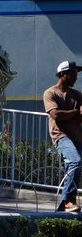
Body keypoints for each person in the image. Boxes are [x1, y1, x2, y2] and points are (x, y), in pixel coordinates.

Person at [43, 60, 82, 213]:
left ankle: (64, 207)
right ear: (62, 74)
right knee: (75, 161)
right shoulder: (50, 93)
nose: (76, 77)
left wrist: (66, 115)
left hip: (77, 137)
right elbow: (55, 115)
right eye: (73, 74)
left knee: (75, 166)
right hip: (60, 136)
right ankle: (67, 201)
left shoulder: (78, 95)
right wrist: (74, 113)